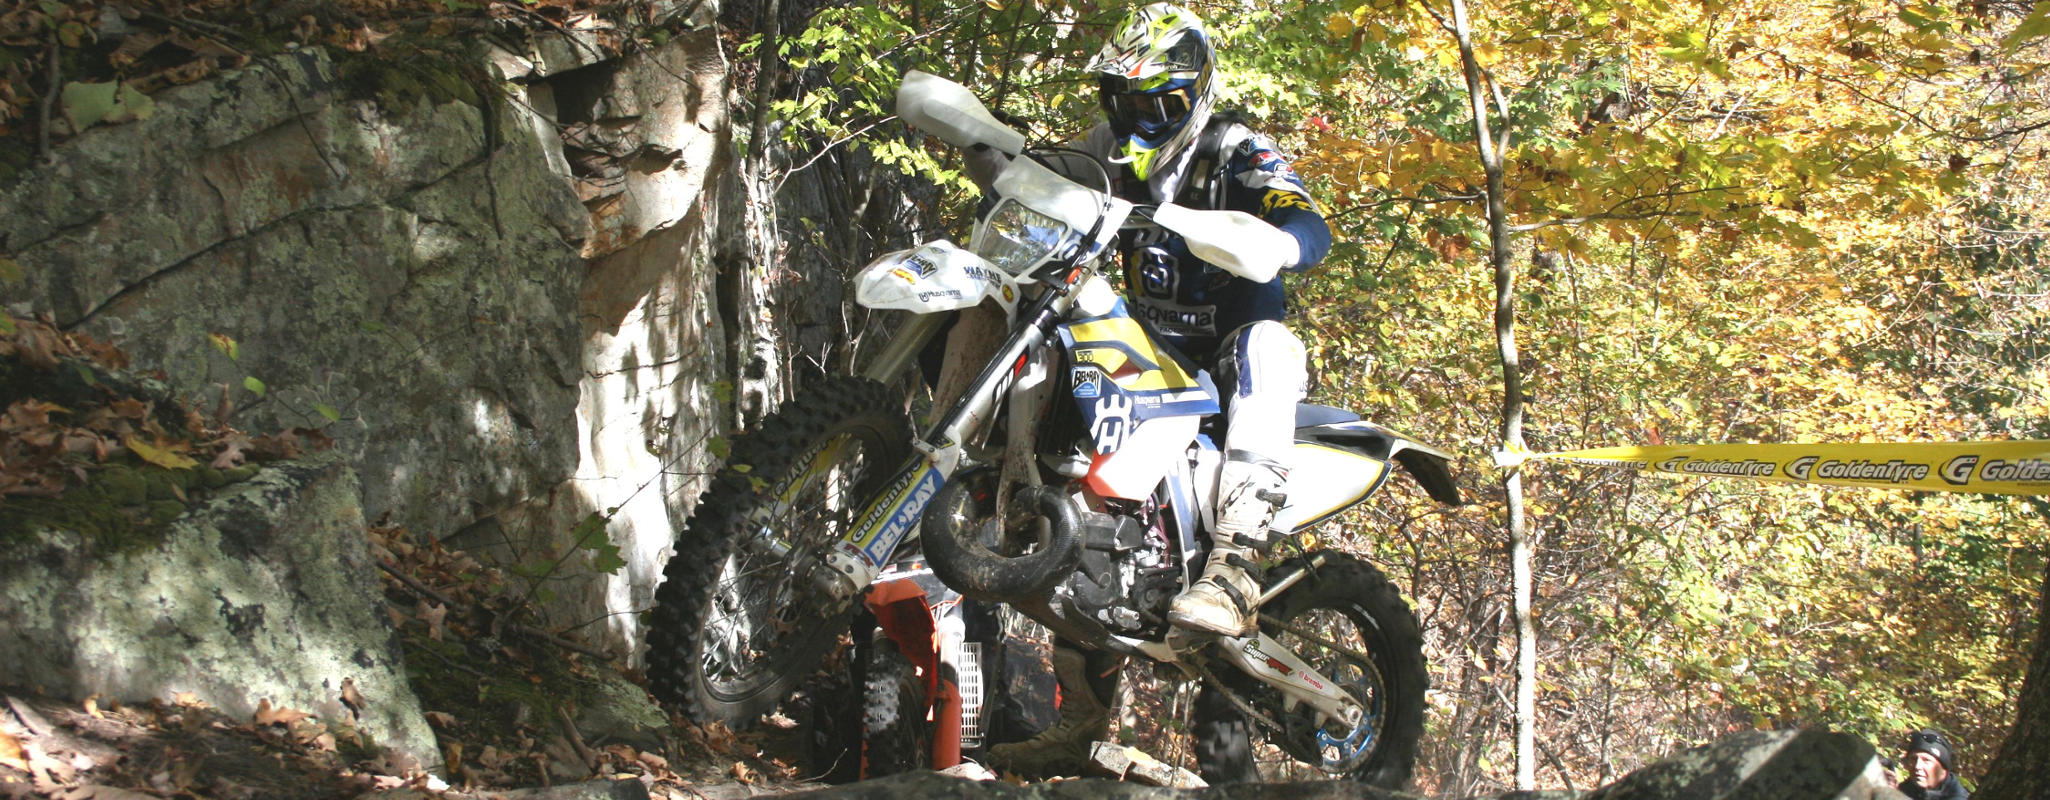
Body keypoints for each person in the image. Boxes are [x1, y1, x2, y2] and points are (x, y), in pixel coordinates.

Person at [987, 2, 1332, 775]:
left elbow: (1306, 220)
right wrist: (994, 152)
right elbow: (1044, 182)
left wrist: (1281, 238)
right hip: (1143, 356)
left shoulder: (1235, 151)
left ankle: (1239, 562)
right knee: (1071, 505)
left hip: (1220, 361)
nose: (1140, 122)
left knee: (1270, 346)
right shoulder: (1105, 149)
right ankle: (1079, 721)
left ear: (1197, 96)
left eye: (1160, 106)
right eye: (1126, 103)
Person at [1899, 729, 1970, 800]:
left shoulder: (1958, 796)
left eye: (1926, 760)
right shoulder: (1901, 791)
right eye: (1913, 759)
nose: (1917, 766)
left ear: (1943, 768)